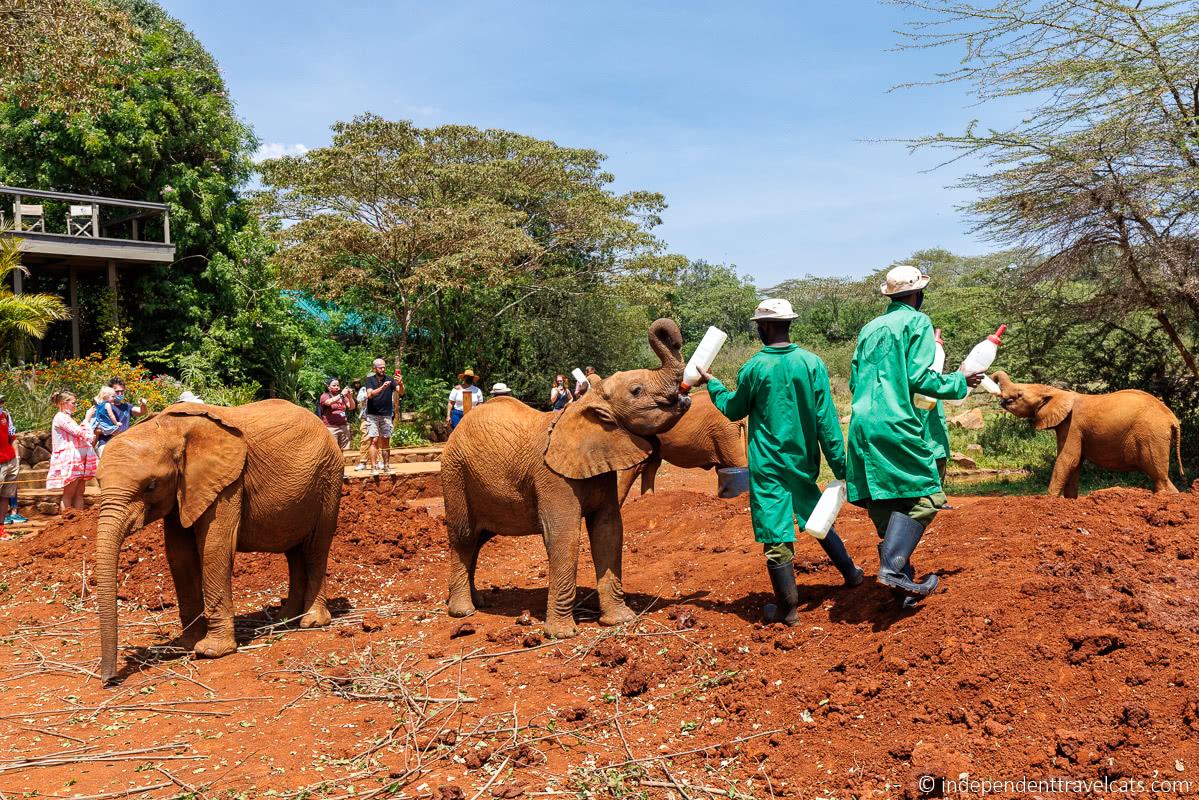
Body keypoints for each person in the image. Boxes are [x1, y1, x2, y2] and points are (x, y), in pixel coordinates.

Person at [693, 297, 863, 627]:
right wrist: (842, 468)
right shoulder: (812, 363)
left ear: (766, 327)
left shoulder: (755, 368)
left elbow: (733, 409)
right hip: (802, 461)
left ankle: (788, 609)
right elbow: (827, 421)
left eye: (759, 326)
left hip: (768, 465)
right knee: (816, 515)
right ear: (788, 324)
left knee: (775, 530)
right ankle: (851, 574)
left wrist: (712, 384)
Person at [845, 265, 983, 606]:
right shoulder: (917, 322)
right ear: (917, 294)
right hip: (896, 423)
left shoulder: (870, 328)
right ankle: (892, 569)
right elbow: (920, 377)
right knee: (926, 497)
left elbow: (853, 380)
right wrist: (959, 381)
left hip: (862, 424)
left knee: (884, 502)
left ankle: (902, 590)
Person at [45, 392, 98, 512]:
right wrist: (87, 417)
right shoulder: (60, 417)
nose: (76, 405)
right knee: (69, 492)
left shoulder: (67, 418)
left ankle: (79, 521)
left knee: (79, 491)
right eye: (73, 403)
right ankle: (66, 522)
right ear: (64, 403)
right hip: (70, 459)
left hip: (78, 458)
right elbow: (79, 432)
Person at [362, 358, 404, 473]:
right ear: (374, 368)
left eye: (384, 367)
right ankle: (374, 467)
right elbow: (370, 394)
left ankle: (386, 466)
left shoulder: (390, 379)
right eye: (380, 367)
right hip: (373, 415)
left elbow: (401, 392)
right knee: (374, 440)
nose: (383, 369)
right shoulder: (370, 380)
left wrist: (400, 383)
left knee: (386, 441)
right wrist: (382, 388)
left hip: (386, 415)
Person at [0, 394, 26, 525]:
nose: (1, 403)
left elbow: (12, 437)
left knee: (6, 495)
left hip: (9, 459)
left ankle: (1, 530)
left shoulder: (5, 415)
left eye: (1, 401)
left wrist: (16, 457)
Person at [319, 377, 356, 450]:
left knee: (344, 450)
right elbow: (328, 402)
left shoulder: (343, 397)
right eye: (334, 385)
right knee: (332, 450)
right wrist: (342, 394)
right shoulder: (325, 395)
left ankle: (343, 462)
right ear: (328, 386)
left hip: (343, 427)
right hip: (331, 427)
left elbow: (351, 407)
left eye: (338, 385)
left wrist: (350, 397)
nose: (336, 387)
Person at [88, 386, 121, 455]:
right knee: (118, 432)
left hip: (96, 425)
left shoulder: (98, 404)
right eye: (113, 396)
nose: (114, 398)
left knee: (95, 438)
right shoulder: (107, 405)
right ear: (107, 396)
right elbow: (111, 416)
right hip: (104, 426)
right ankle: (114, 446)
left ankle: (90, 450)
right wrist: (116, 423)